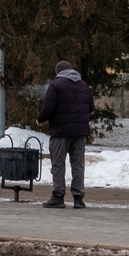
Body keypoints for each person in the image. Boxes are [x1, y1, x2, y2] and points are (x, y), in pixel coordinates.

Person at [36, 60, 93, 209]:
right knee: (78, 164)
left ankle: (58, 197)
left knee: (58, 164)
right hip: (80, 132)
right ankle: (78, 198)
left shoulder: (56, 85)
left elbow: (48, 106)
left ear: (57, 73)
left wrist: (40, 119)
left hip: (61, 131)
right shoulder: (83, 85)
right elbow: (91, 107)